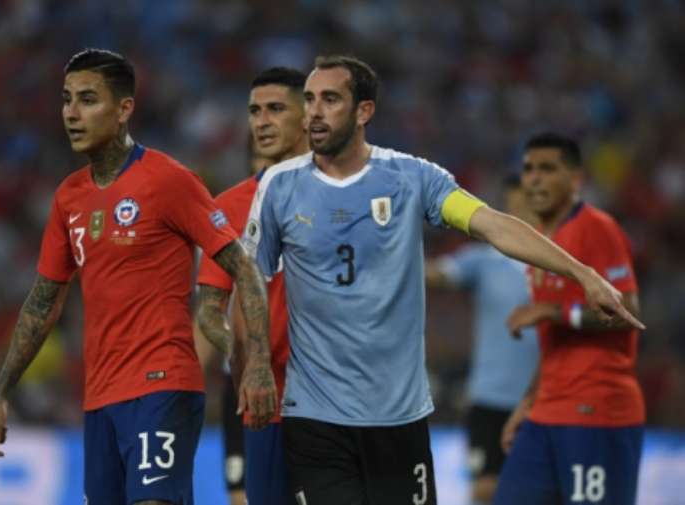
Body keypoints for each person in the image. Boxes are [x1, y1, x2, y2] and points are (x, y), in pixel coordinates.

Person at [241, 55, 643, 505]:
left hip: (399, 417)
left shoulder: (413, 178)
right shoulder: (278, 186)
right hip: (315, 418)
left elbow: (492, 224)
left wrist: (582, 272)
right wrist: (257, 361)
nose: (314, 112)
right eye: (310, 99)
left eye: (330, 99)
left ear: (363, 112)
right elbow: (253, 277)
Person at [0, 48, 277, 505]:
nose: (72, 114)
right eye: (67, 100)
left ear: (123, 110)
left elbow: (244, 267)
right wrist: (1, 392)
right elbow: (42, 302)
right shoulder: (69, 198)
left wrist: (255, 360)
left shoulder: (168, 181)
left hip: (164, 384)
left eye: (88, 100)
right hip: (100, 398)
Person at [493, 133, 645, 505]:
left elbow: (630, 312)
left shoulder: (596, 227)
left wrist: (553, 311)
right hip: (548, 409)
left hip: (597, 409)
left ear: (576, 179)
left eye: (548, 169)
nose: (535, 179)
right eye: (529, 169)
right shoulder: (543, 242)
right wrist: (529, 401)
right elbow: (554, 342)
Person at [195, 66, 309, 505]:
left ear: (307, 116)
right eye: (254, 111)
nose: (260, 120)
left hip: (336, 401)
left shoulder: (341, 193)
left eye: (275, 109)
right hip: (266, 404)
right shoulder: (228, 207)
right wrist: (238, 351)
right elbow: (209, 308)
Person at [425, 174, 540, 504]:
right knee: (485, 491)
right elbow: (440, 273)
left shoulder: (557, 261)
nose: (519, 205)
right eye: (513, 198)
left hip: (540, 398)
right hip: (489, 399)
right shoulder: (484, 260)